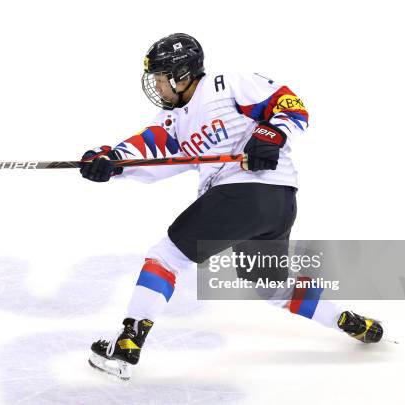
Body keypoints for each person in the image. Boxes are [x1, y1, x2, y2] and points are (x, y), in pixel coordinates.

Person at [80, 33, 383, 381]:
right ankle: (349, 321)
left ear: (181, 74)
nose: (157, 87)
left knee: (166, 258)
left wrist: (271, 135)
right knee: (269, 286)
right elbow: (153, 149)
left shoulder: (227, 85)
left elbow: (289, 104)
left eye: (162, 79)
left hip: (244, 194)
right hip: (278, 203)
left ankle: (125, 346)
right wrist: (111, 161)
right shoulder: (179, 120)